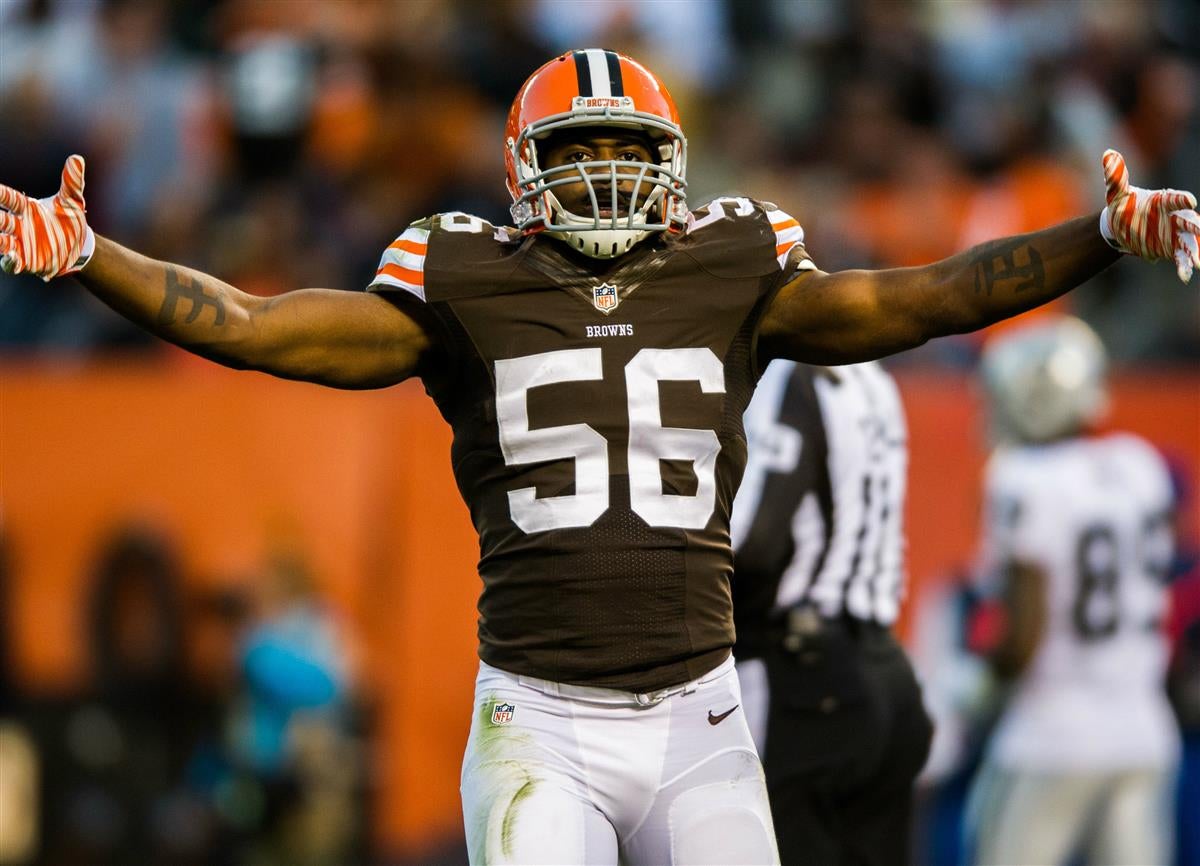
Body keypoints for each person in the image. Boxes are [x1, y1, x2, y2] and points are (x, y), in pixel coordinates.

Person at [1, 48, 1197, 865]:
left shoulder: (732, 264)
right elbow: (255, 327)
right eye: (579, 151)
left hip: (702, 711)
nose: (608, 174)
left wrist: (1097, 237)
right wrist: (92, 255)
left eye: (627, 149)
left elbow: (928, 295)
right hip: (541, 715)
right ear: (525, 168)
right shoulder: (463, 275)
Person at [965, 316, 1180, 866]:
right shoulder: (1138, 464)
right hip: (1144, 730)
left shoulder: (1023, 478)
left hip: (1052, 734)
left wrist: (978, 688)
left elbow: (1023, 631)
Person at [730, 359, 932, 865]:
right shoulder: (873, 375)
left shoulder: (786, 373)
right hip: (886, 668)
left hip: (802, 678)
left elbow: (752, 542)